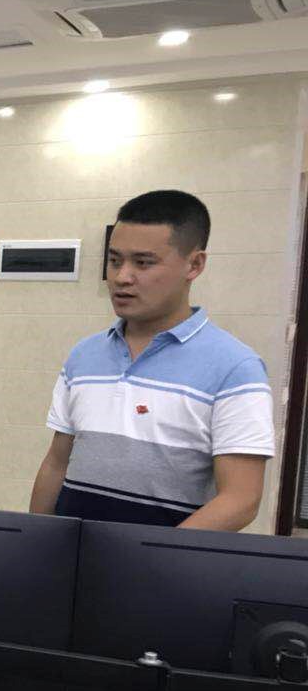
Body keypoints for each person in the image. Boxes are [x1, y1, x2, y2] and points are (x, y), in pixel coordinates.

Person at [30, 190, 274, 530]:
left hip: (163, 559)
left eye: (143, 263)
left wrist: (156, 554)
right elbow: (57, 463)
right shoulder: (84, 355)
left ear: (194, 264)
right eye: (115, 261)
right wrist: (37, 540)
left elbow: (241, 499)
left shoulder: (235, 367)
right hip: (73, 553)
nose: (122, 277)